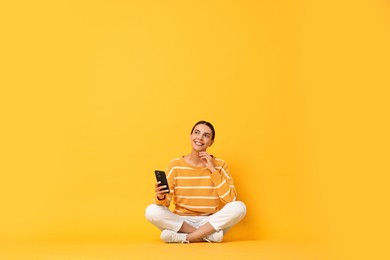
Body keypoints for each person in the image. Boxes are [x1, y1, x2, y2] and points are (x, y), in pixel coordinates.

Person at [145, 120, 246, 243]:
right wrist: (160, 196)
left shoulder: (220, 165)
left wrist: (213, 170)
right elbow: (165, 203)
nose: (200, 138)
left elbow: (231, 199)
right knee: (151, 210)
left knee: (239, 207)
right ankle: (207, 236)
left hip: (209, 221)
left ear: (211, 142)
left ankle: (186, 237)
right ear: (191, 136)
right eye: (197, 133)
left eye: (206, 135)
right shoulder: (175, 165)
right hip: (182, 220)